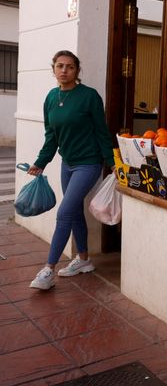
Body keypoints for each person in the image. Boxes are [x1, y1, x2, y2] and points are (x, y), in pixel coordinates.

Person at [27, 50, 116, 290]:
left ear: (77, 71)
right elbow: (51, 136)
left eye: (69, 66)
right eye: (59, 66)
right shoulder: (51, 98)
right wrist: (41, 161)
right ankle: (84, 261)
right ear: (53, 69)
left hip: (89, 164)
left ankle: (48, 270)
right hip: (68, 164)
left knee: (64, 213)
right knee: (74, 211)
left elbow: (101, 131)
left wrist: (112, 162)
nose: (64, 70)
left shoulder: (89, 97)